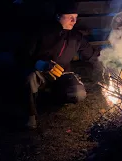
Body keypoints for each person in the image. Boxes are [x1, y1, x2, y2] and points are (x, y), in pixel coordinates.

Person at [17, 1, 100, 129]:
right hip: (40, 73)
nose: (74, 21)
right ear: (58, 16)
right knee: (30, 78)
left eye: (76, 17)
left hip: (62, 74)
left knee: (78, 93)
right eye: (70, 17)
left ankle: (53, 97)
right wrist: (39, 64)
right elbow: (22, 54)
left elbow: (92, 54)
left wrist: (107, 61)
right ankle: (30, 115)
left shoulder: (75, 37)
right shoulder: (41, 32)